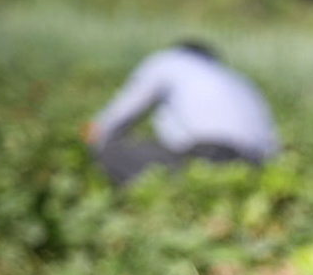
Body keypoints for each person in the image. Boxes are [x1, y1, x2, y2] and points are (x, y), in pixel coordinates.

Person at [84, 41, 280, 186]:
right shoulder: (238, 79)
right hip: (253, 166)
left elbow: (125, 110)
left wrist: (97, 132)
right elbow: (273, 143)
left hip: (207, 156)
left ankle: (150, 208)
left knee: (112, 151)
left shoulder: (170, 61)